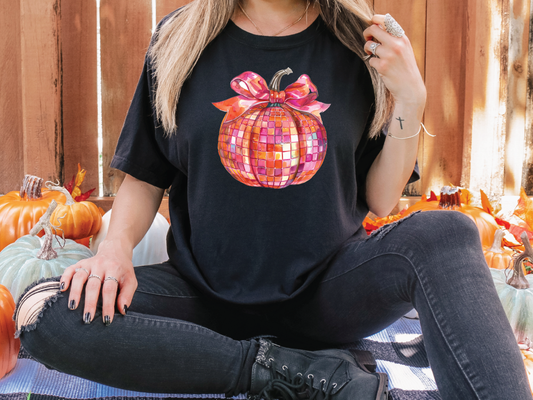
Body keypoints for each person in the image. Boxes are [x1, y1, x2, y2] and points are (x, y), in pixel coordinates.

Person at [13, 1, 532, 399]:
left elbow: (380, 197)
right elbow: (146, 178)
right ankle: (288, 373)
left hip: (328, 295)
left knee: (448, 233)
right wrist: (113, 252)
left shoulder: (361, 43)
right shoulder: (178, 41)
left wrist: (411, 99)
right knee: (44, 310)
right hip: (201, 299)